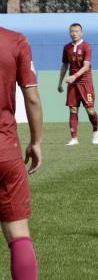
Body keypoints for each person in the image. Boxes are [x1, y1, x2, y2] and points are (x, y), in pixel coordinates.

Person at [0, 26, 43, 280]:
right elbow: (32, 98)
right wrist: (36, 141)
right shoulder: (15, 41)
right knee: (19, 235)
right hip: (6, 150)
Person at [57, 23, 98, 146]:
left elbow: (86, 66)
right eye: (72, 31)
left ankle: (95, 131)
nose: (74, 33)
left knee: (90, 110)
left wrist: (74, 76)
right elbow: (64, 65)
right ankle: (74, 138)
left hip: (85, 83)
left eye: (76, 31)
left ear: (81, 32)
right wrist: (60, 83)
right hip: (73, 84)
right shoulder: (67, 48)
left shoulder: (87, 46)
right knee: (73, 109)